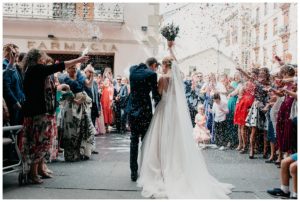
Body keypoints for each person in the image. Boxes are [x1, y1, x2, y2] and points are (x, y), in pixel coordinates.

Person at [137, 41, 233, 199]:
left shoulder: (162, 78)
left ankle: (162, 169)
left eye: (162, 64)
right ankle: (179, 167)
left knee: (161, 139)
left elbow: (159, 94)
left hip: (164, 109)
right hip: (174, 111)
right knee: (176, 139)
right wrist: (171, 49)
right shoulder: (178, 77)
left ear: (165, 65)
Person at [19, 49, 89, 184]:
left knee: (43, 142)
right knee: (38, 142)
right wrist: (78, 60)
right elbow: (59, 66)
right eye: (42, 57)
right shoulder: (35, 69)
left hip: (41, 111)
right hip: (38, 113)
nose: (44, 59)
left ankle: (39, 169)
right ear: (37, 58)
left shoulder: (33, 70)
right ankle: (33, 173)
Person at [127, 56, 161, 182]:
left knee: (133, 141)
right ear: (153, 65)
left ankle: (133, 172)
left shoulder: (132, 70)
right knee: (146, 141)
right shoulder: (152, 74)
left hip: (132, 111)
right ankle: (145, 169)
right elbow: (155, 94)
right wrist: (161, 105)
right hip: (145, 112)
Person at [59, 63, 97, 161]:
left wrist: (92, 75)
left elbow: (88, 84)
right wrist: (75, 100)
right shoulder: (64, 78)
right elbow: (63, 94)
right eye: (71, 68)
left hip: (81, 104)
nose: (74, 69)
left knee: (82, 128)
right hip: (71, 104)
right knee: (70, 130)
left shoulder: (80, 76)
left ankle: (79, 152)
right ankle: (69, 155)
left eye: (75, 68)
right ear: (67, 70)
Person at [3, 51, 26, 126]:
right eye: (14, 54)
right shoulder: (7, 67)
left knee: (18, 127)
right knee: (13, 128)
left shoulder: (17, 68)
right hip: (13, 104)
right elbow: (5, 87)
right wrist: (15, 101)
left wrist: (23, 98)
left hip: (19, 102)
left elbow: (20, 86)